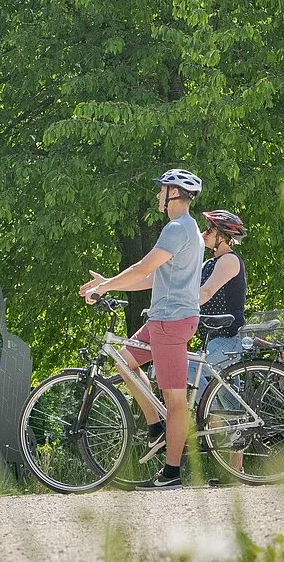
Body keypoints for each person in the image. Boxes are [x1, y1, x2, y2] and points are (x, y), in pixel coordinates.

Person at [79, 168, 204, 489]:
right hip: (162, 319)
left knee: (175, 400)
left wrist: (104, 287)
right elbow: (151, 278)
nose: (158, 195)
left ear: (174, 194)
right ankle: (156, 426)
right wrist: (109, 283)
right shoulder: (187, 229)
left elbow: (141, 267)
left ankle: (171, 474)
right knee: (123, 361)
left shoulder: (177, 228)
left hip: (171, 323)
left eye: (162, 189)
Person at [189, 210, 248, 401]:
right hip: (215, 341)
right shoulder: (209, 264)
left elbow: (205, 293)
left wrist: (178, 307)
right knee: (231, 405)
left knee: (189, 368)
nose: (204, 233)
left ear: (222, 236)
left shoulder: (229, 260)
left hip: (229, 340)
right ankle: (224, 420)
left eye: (209, 230)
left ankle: (209, 416)